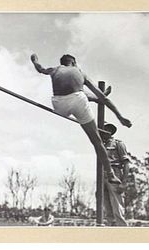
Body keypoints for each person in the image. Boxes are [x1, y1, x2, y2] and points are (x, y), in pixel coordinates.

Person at [30, 53, 132, 184]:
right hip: (79, 101)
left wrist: (35, 61)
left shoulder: (54, 69)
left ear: (62, 63)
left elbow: (40, 69)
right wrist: (120, 117)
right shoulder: (79, 72)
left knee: (80, 93)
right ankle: (110, 174)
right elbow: (105, 99)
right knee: (97, 141)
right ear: (74, 62)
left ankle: (93, 98)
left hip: (60, 105)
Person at [100, 123, 130, 226]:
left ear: (110, 131)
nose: (103, 133)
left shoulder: (118, 144)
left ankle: (123, 231)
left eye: (105, 130)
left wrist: (124, 182)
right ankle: (112, 231)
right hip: (101, 175)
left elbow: (126, 163)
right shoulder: (100, 144)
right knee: (107, 208)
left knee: (117, 207)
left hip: (114, 173)